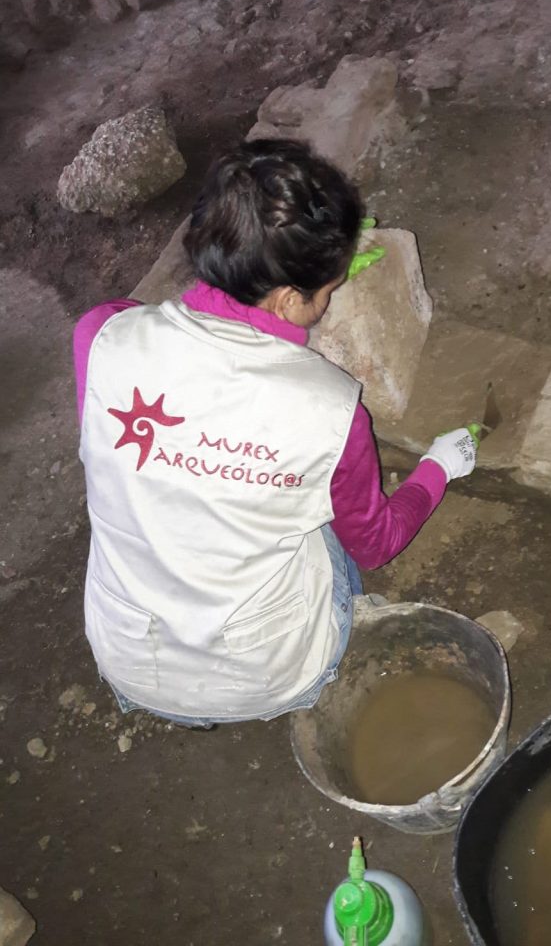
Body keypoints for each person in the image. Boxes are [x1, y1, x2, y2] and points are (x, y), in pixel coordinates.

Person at [73, 138, 477, 727]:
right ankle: (298, 672)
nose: (328, 300)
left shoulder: (101, 335)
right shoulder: (330, 408)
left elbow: (139, 321)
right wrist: (438, 468)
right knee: (323, 518)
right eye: (328, 291)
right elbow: (376, 544)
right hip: (264, 678)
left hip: (128, 657)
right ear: (289, 298)